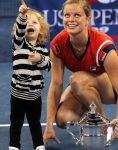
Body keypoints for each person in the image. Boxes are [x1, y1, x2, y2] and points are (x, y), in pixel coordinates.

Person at [43, 0, 118, 145]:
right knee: (63, 119)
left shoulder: (103, 46)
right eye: (67, 15)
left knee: (77, 80)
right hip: (83, 81)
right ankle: (89, 108)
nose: (71, 20)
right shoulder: (57, 45)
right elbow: (56, 86)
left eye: (77, 15)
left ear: (88, 20)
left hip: (115, 84)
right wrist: (48, 126)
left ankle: (103, 123)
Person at [9, 0, 51, 150]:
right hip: (18, 95)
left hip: (35, 95)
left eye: (34, 23)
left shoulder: (42, 50)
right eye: (27, 23)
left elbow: (48, 65)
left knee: (35, 122)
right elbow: (20, 30)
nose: (30, 25)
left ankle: (38, 145)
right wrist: (22, 15)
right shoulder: (18, 43)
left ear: (41, 29)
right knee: (16, 122)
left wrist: (40, 59)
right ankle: (14, 145)